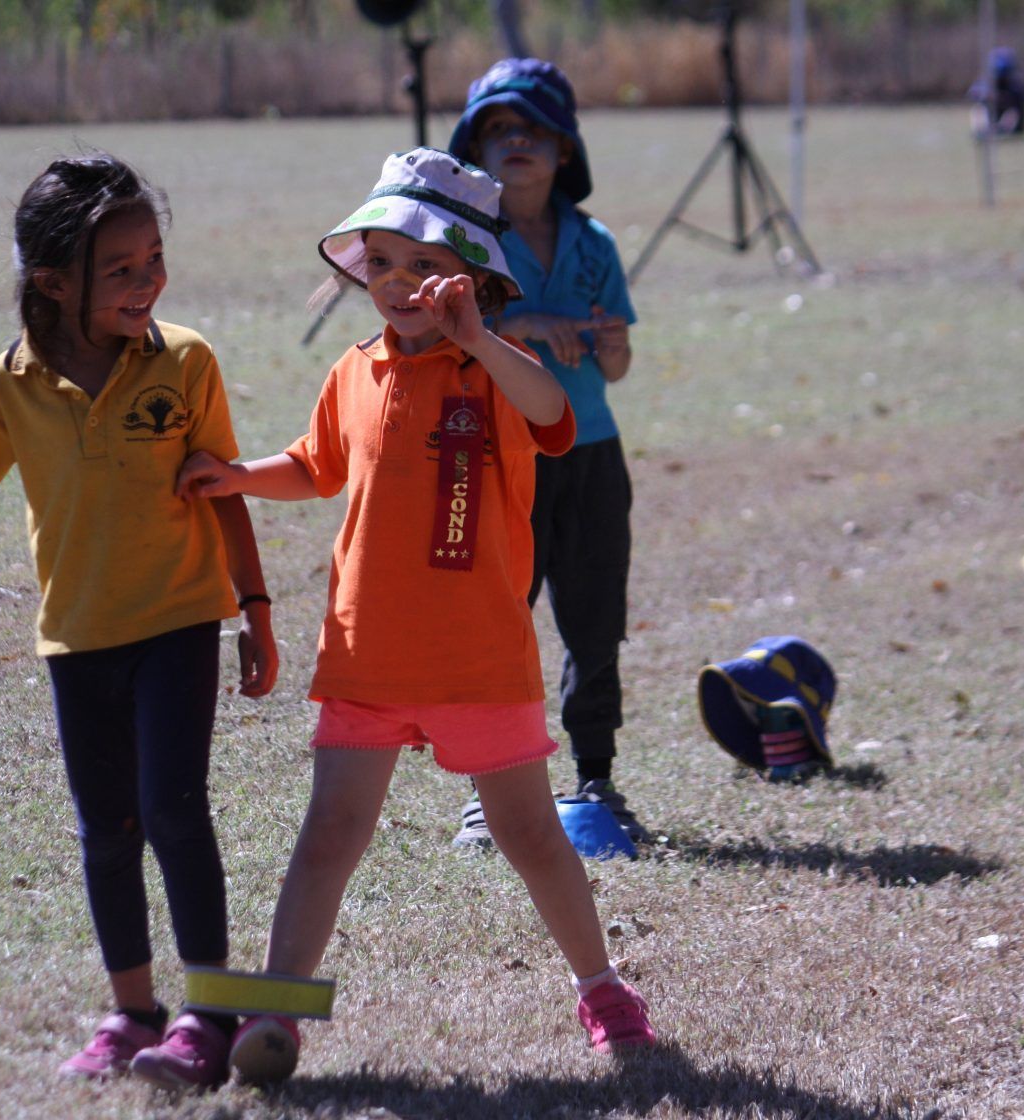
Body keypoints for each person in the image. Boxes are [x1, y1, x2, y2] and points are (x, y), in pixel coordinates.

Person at [175, 147, 658, 1085]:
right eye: (383, 264)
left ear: (475, 280)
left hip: (479, 658)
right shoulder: (354, 373)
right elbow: (315, 466)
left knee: (530, 837)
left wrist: (478, 339)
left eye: (424, 266)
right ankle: (279, 1017)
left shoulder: (498, 369)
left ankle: (604, 991)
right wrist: (235, 477)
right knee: (328, 836)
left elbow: (555, 414)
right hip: (368, 655)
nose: (399, 284)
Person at [0, 154, 278, 1091]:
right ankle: (133, 1010)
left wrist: (254, 611)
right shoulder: (11, 385)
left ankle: (207, 1014)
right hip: (77, 640)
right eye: (123, 268)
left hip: (179, 624)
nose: (150, 282)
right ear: (54, 282)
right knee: (107, 829)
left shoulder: (185, 360)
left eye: (154, 259)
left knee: (177, 812)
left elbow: (224, 496)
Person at [445, 58, 646, 850]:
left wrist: (615, 344)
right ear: (476, 153)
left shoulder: (594, 243)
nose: (517, 140)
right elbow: (447, 346)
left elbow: (617, 369)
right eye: (499, 128)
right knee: (500, 622)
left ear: (565, 150)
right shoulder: (466, 243)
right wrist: (520, 329)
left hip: (594, 456)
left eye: (534, 128)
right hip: (505, 459)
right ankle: (481, 790)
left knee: (595, 622)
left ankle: (595, 774)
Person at [967, 47, 1024, 138]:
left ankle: (1001, 130)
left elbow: (1020, 104)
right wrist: (986, 96)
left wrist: (1002, 99)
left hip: (1011, 122)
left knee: (1012, 113)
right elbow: (973, 93)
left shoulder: (1016, 85)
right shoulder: (987, 82)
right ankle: (982, 132)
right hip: (992, 117)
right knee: (978, 109)